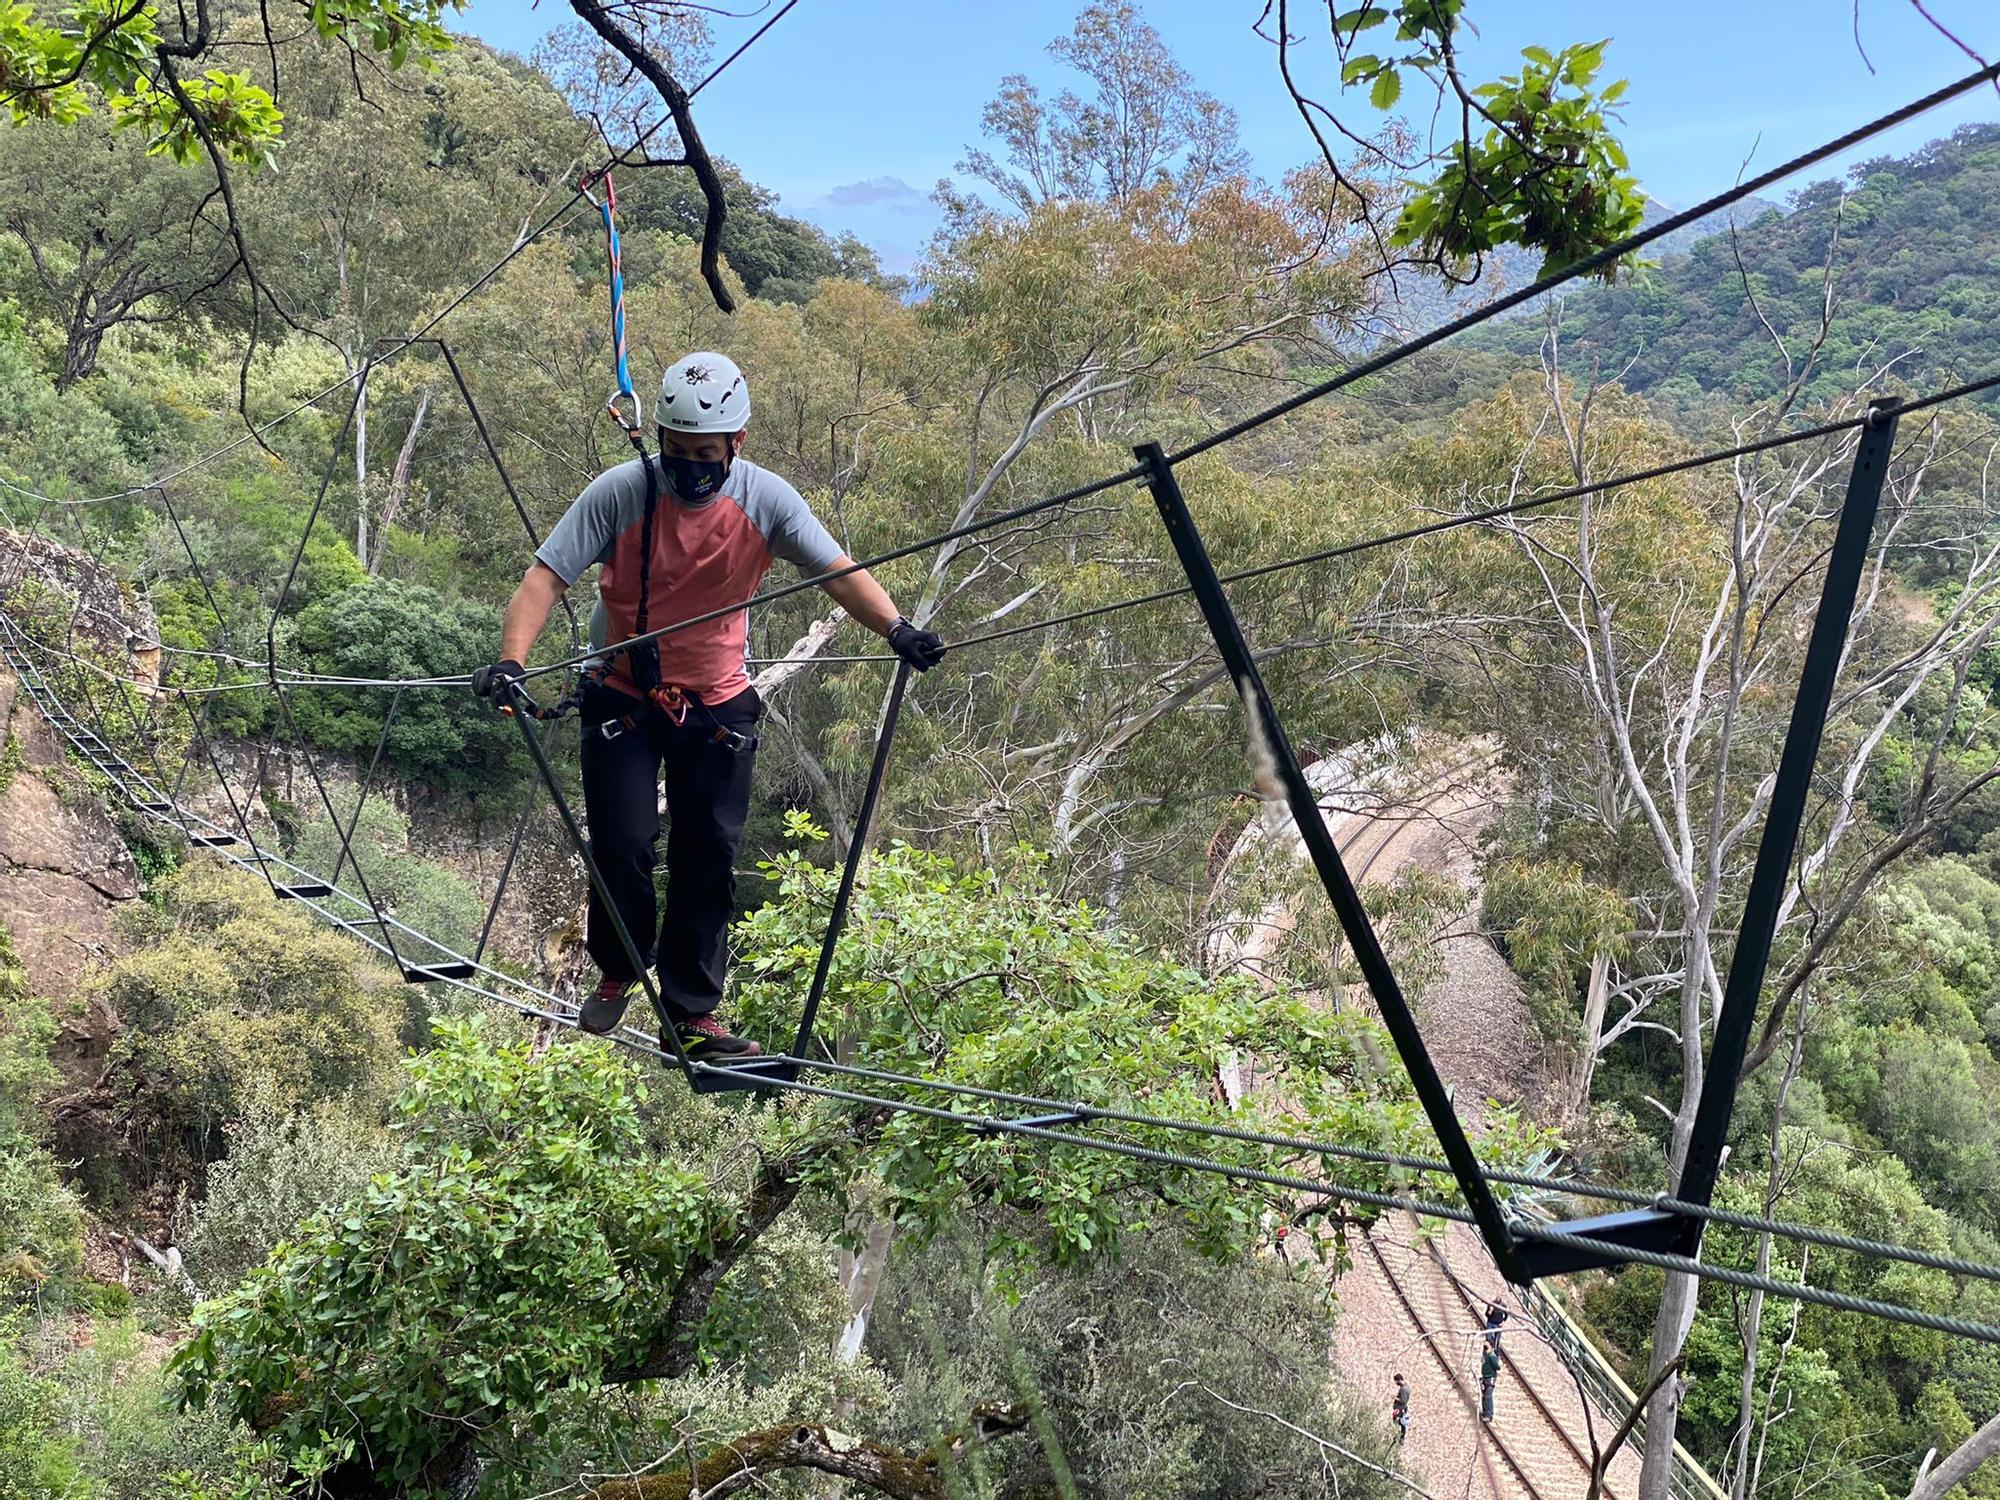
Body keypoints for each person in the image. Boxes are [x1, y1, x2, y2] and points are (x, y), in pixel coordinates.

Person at [474, 351, 945, 1061]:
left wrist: (898, 629)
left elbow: (836, 570)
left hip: (718, 704)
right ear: (658, 439)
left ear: (736, 444)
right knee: (624, 845)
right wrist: (513, 660)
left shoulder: (766, 501)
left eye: (705, 454)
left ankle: (695, 1013)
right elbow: (546, 578)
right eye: (676, 450)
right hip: (624, 696)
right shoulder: (621, 493)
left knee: (708, 856)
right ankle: (620, 968)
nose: (690, 466)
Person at [1480, 1342, 1501, 1424]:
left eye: (1487, 1342)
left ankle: (1489, 1415)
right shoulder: (1485, 1353)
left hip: (1490, 1377)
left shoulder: (1492, 1356)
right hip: (1485, 1377)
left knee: (1488, 1396)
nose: (1485, 1343)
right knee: (1484, 1396)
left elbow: (1497, 1367)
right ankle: (1485, 1412)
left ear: (1490, 1346)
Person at [1390, 1372, 1410, 1444]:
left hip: (1400, 1409)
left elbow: (1403, 1401)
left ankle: (1399, 1436)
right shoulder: (1406, 1387)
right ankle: (1400, 1437)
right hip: (1401, 1409)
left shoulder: (1404, 1389)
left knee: (1399, 1423)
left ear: (1399, 1380)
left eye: (1396, 1381)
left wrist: (1395, 1398)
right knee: (1401, 1423)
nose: (1396, 1383)